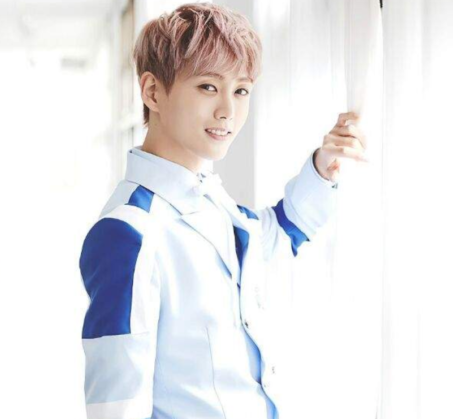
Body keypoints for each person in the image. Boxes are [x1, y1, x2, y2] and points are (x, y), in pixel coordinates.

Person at [78, 3, 367, 419]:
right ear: (153, 92)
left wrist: (324, 167)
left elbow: (275, 237)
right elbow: (116, 408)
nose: (228, 111)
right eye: (208, 87)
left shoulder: (212, 202)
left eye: (241, 90)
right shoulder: (128, 232)